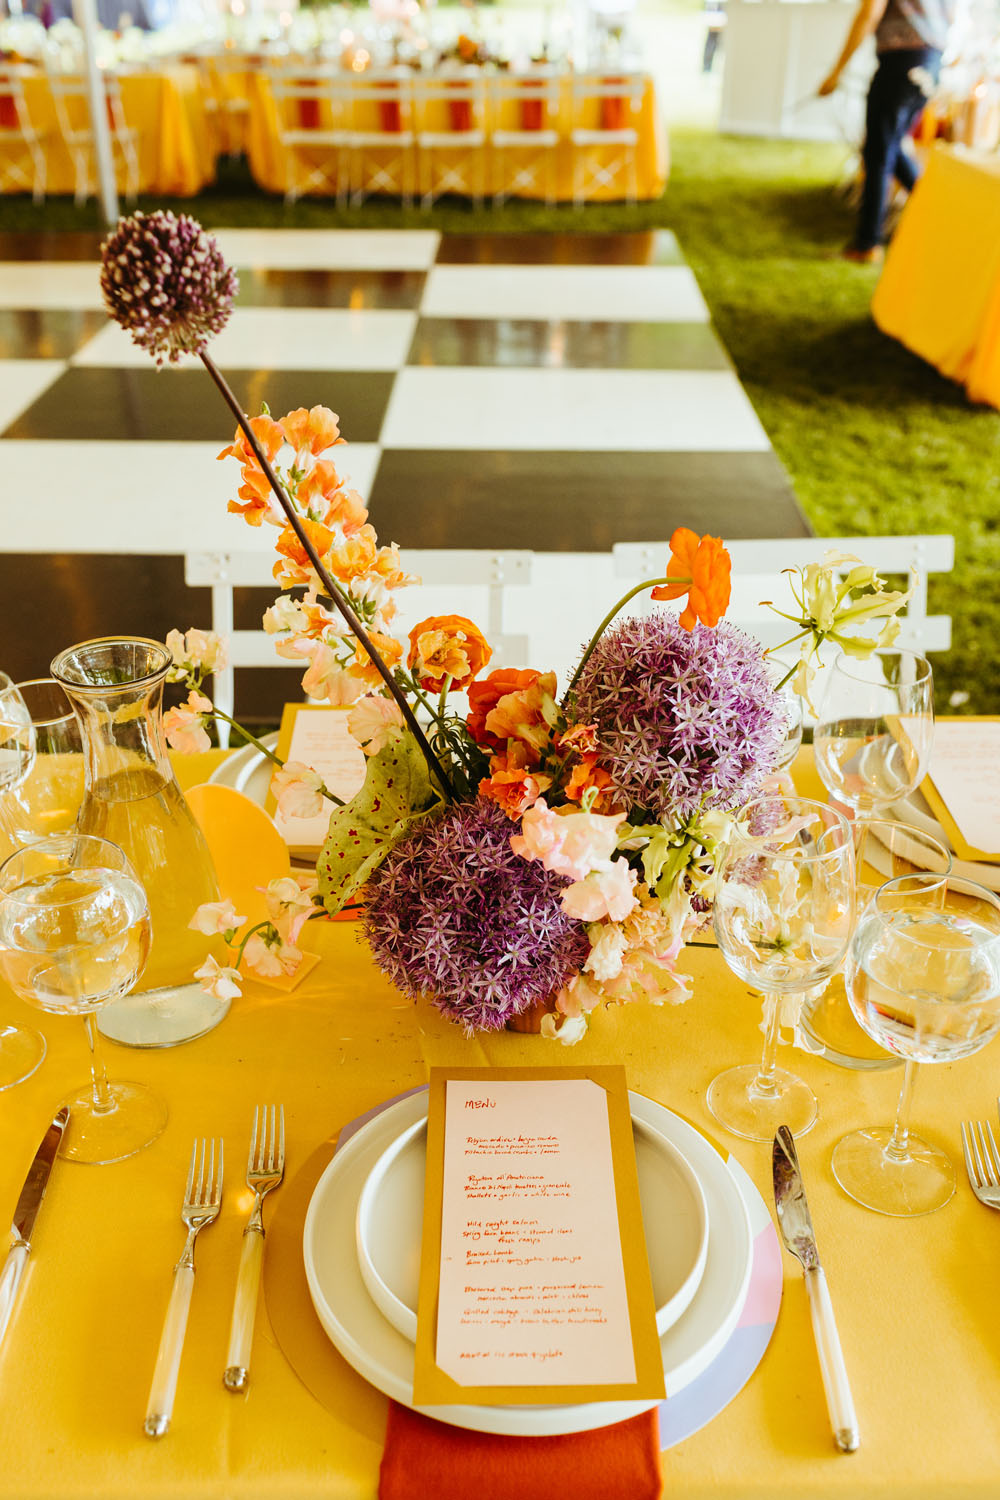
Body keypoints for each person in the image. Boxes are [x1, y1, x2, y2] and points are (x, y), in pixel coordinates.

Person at [818, 0, 955, 262]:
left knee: (878, 153)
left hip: (901, 62)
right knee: (888, 148)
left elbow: (870, 12)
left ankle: (867, 244)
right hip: (931, 61)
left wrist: (836, 72)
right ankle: (940, 216)